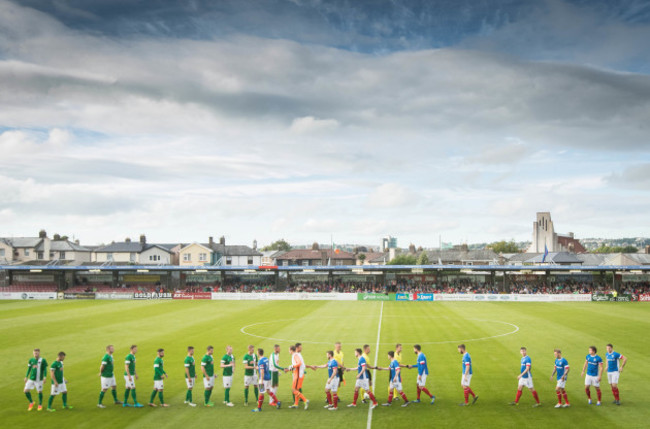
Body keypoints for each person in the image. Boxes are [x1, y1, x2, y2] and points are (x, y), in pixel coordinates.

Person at [288, 343, 309, 409]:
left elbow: (299, 363)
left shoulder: (295, 355)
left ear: (291, 350)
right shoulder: (296, 355)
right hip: (298, 374)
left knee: (294, 390)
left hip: (298, 375)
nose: (288, 351)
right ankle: (296, 404)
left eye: (289, 350)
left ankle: (305, 400)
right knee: (296, 389)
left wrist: (292, 366)